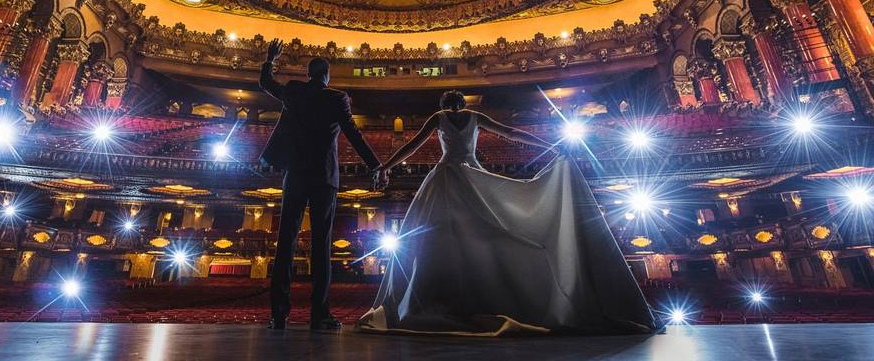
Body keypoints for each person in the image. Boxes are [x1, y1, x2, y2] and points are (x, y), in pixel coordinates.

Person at [359, 90, 658, 336]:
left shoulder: (439, 118)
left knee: (438, 240)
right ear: (463, 104)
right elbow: (511, 133)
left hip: (446, 176)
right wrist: (548, 145)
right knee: (486, 233)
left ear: (443, 106)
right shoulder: (474, 117)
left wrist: (386, 166)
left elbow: (412, 146)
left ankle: (446, 293)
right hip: (471, 175)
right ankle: (481, 291)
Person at [259, 39, 381, 330]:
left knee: (285, 242)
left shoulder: (294, 91)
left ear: (308, 74)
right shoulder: (336, 98)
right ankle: (319, 314)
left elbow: (266, 82)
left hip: (296, 174)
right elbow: (353, 133)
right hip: (324, 178)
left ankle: (278, 314)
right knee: (321, 245)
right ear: (326, 75)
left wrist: (270, 58)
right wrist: (374, 165)